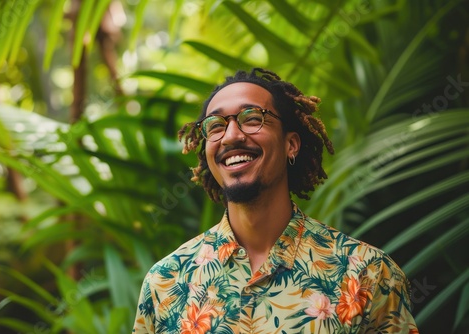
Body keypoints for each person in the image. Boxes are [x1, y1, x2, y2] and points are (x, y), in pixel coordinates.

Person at [132, 68, 418, 333]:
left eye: (252, 118)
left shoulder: (367, 274)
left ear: (290, 144)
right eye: (215, 125)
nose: (231, 135)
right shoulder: (166, 282)